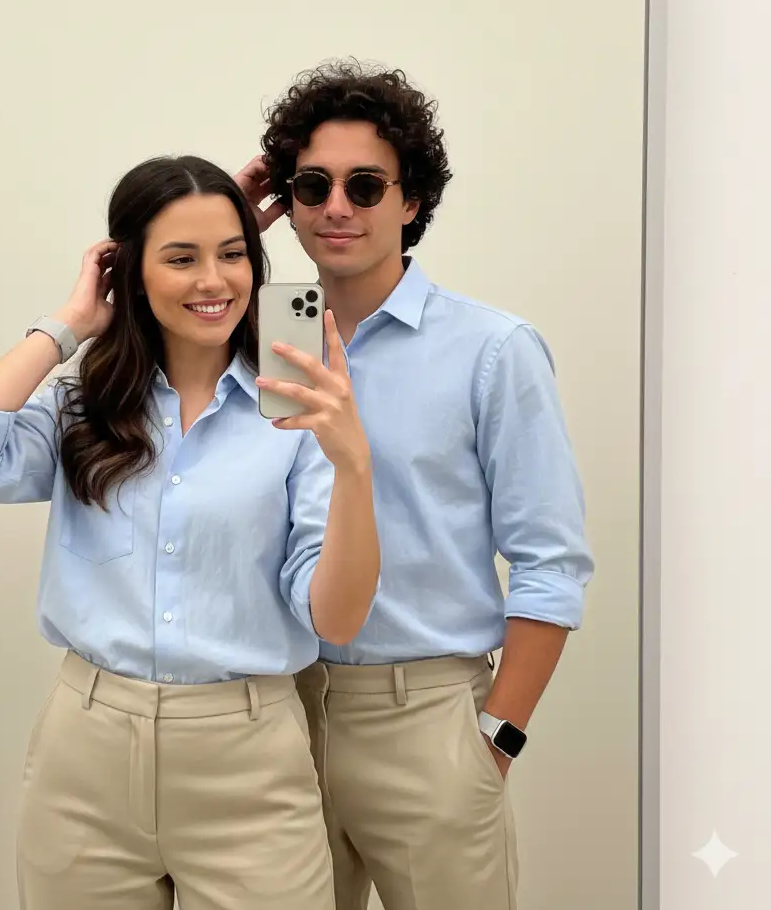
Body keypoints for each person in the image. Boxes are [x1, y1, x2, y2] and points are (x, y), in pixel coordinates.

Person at [0, 155, 380, 910]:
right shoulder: (85, 410)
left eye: (232, 255)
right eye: (180, 258)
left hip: (248, 759)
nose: (213, 281)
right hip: (84, 754)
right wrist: (66, 327)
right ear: (127, 272)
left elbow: (338, 616)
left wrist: (353, 465)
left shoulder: (293, 413)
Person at [234, 62, 596, 910]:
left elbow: (552, 562)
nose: (337, 207)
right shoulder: (256, 343)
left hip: (425, 719)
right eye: (311, 185)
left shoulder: (493, 351)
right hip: (276, 716)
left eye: (366, 186)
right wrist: (235, 229)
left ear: (412, 202)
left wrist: (491, 742)